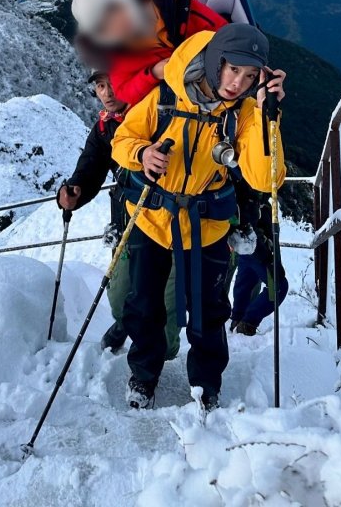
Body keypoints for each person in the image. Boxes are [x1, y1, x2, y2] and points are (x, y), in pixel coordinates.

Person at [111, 23, 286, 412]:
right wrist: (142, 154)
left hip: (207, 226)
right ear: (214, 60)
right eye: (232, 69)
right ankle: (143, 375)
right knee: (145, 304)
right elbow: (122, 140)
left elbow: (265, 177)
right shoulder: (165, 97)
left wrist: (266, 115)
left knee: (209, 310)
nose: (237, 83)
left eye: (249, 75)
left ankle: (206, 384)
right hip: (152, 218)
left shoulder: (244, 115)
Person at [56, 70, 179, 359]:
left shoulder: (154, 114)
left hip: (170, 221)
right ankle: (126, 324)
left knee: (168, 298)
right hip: (128, 221)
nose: (107, 93)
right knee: (120, 293)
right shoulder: (104, 128)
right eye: (100, 85)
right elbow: (91, 166)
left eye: (112, 83)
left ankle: (157, 353)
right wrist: (75, 191)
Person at [72, 0, 227, 107]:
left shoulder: (175, 6)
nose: (115, 25)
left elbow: (226, 36)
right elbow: (124, 92)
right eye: (102, 28)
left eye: (114, 9)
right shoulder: (117, 57)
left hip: (225, 84)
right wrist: (153, 73)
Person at [229, 181, 289, 336]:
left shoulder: (238, 180)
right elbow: (249, 223)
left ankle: (238, 317)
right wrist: (267, 257)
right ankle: (248, 321)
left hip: (245, 243)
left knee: (247, 277)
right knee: (279, 286)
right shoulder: (248, 189)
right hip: (254, 244)